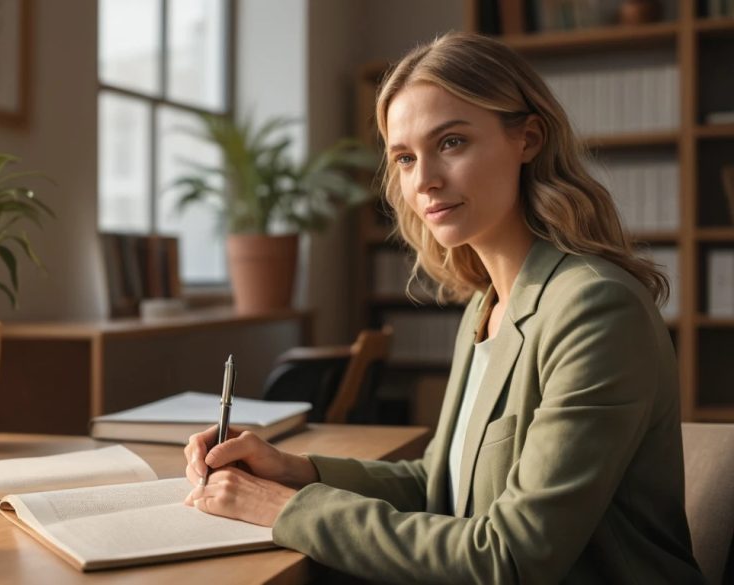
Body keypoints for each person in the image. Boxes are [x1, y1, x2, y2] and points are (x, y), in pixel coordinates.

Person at [183, 31, 705, 584]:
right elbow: (442, 486)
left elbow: (509, 557)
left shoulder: (595, 308)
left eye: (451, 142)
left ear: (527, 138)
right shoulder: (486, 305)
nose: (424, 180)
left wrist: (285, 509)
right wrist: (293, 471)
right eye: (405, 158)